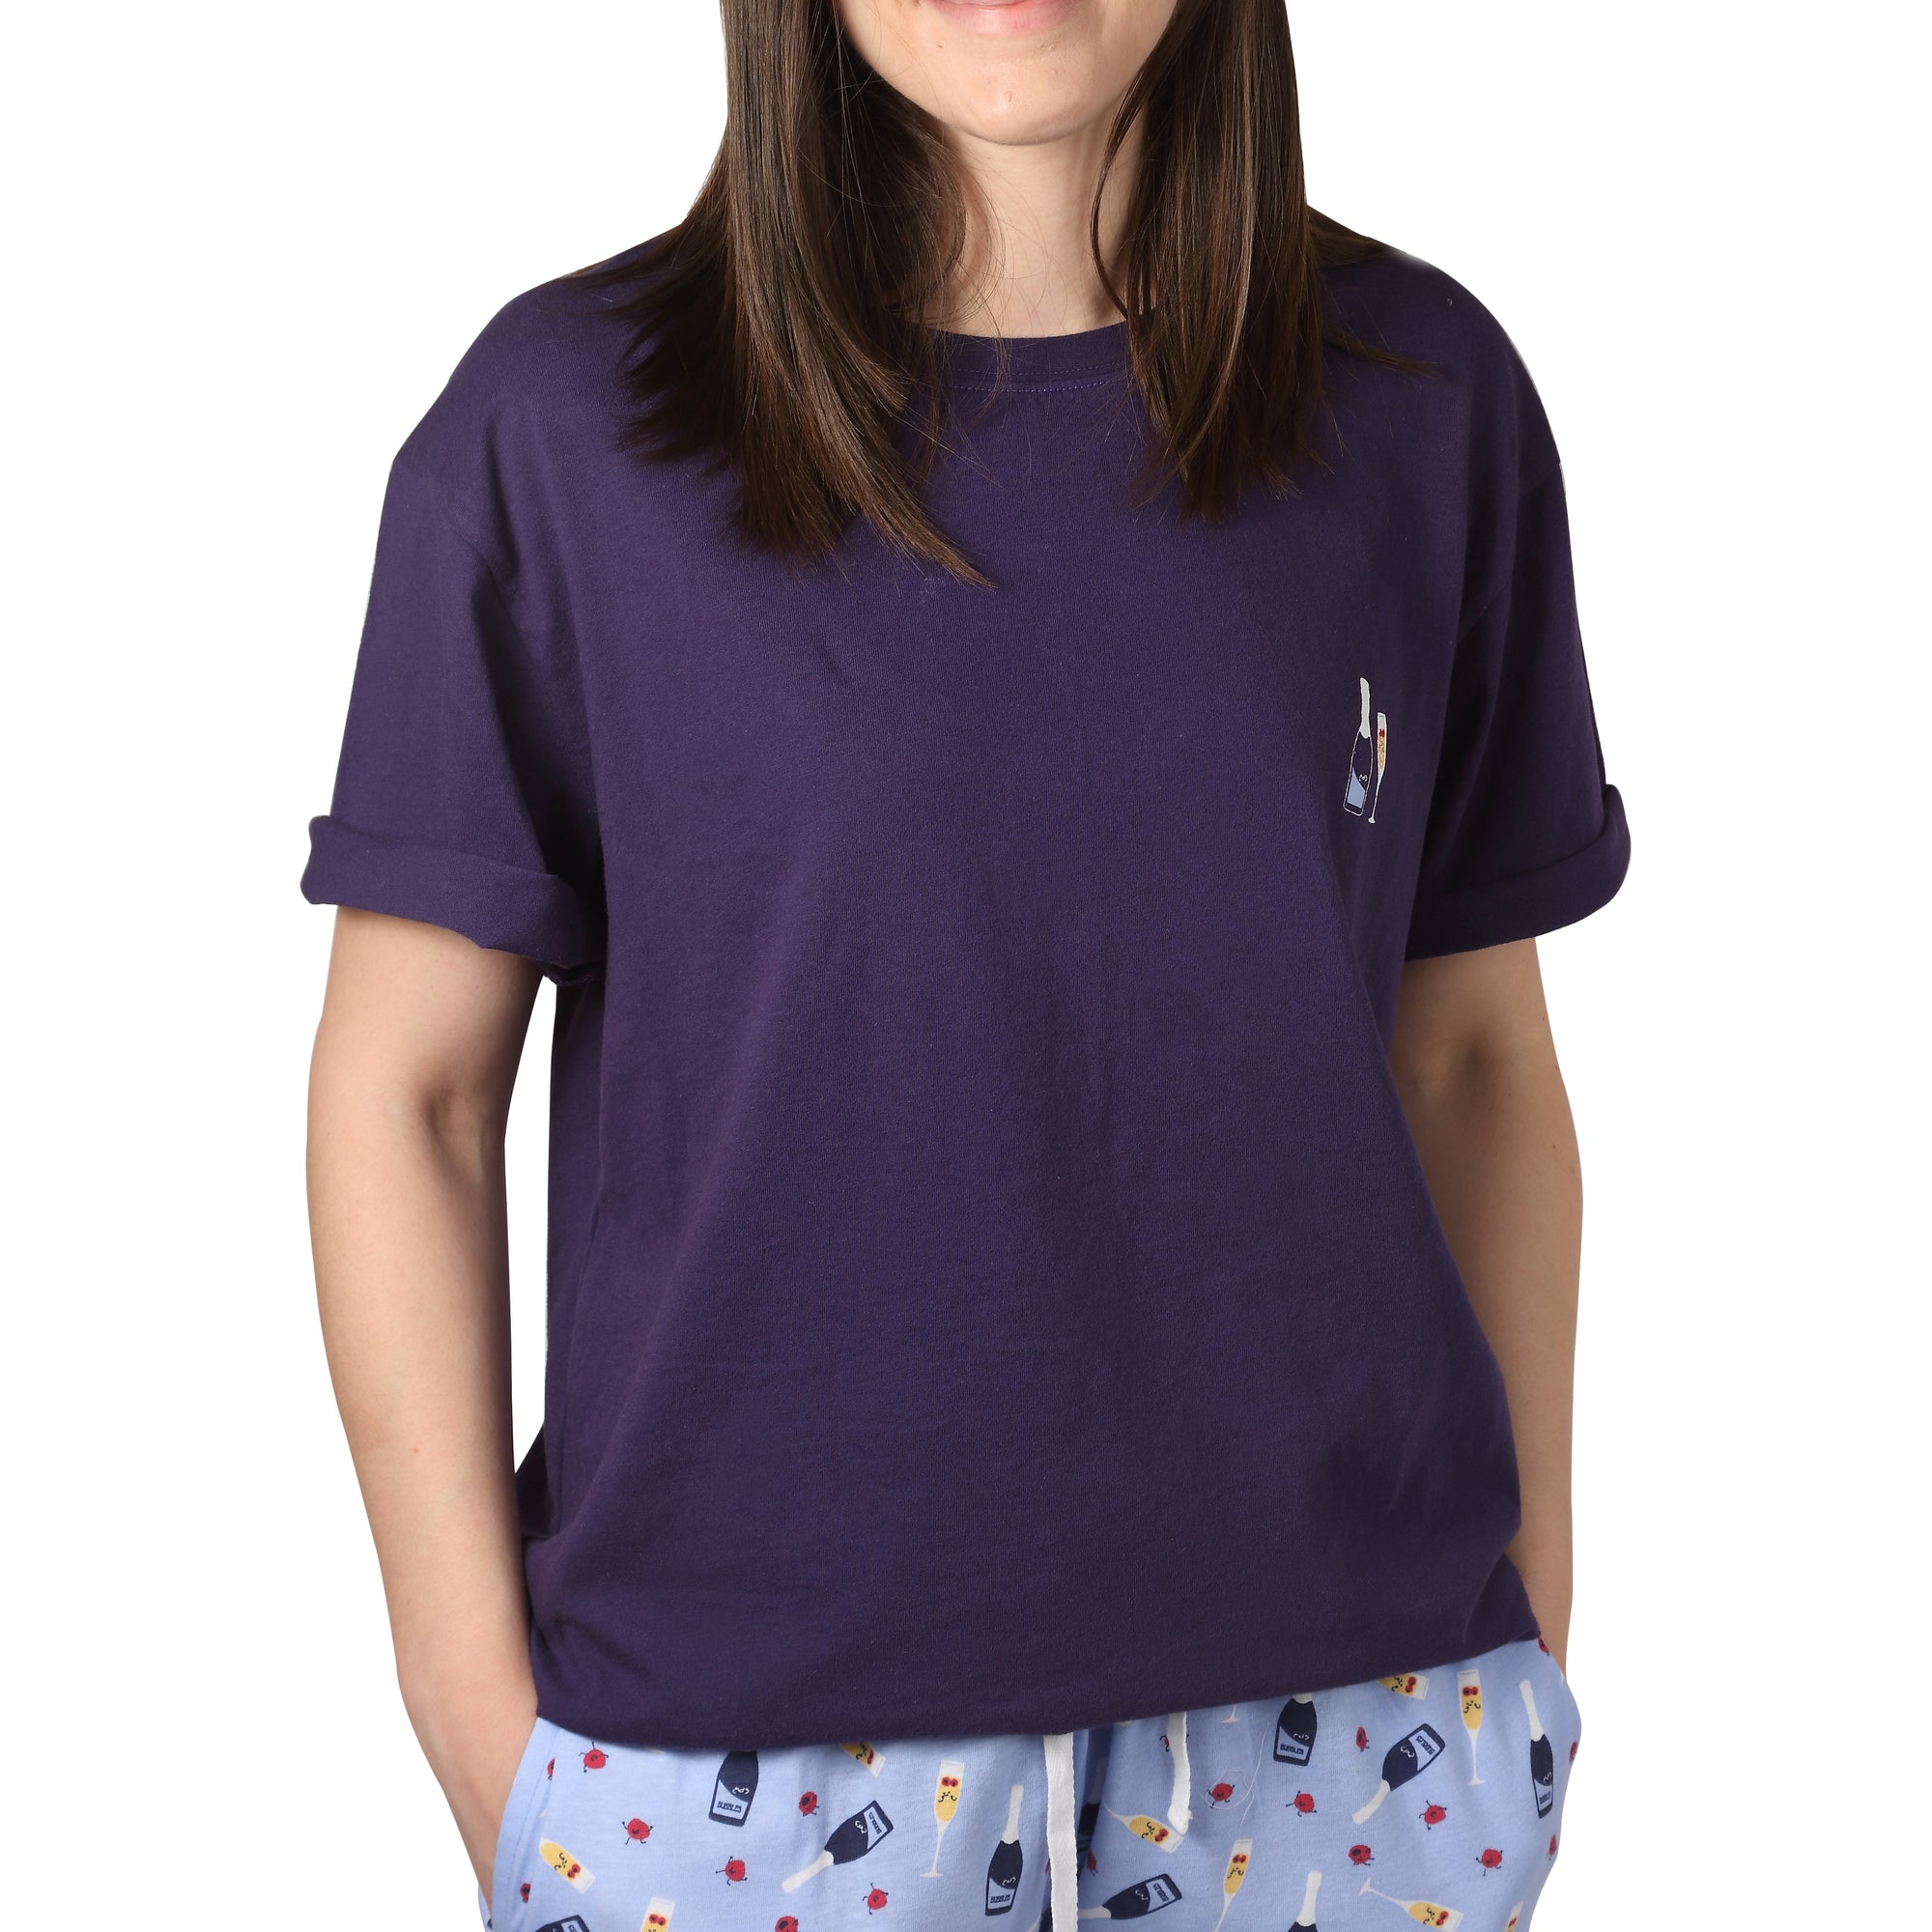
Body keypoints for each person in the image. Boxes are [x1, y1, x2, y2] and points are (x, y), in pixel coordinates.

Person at [301, 0, 1629, 1925]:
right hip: (731, 1768)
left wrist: (1529, 1615)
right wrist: (470, 1711)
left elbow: (1472, 1058)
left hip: (1360, 1743)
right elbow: (409, 1090)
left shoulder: (1424, 401)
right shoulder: (566, 428)